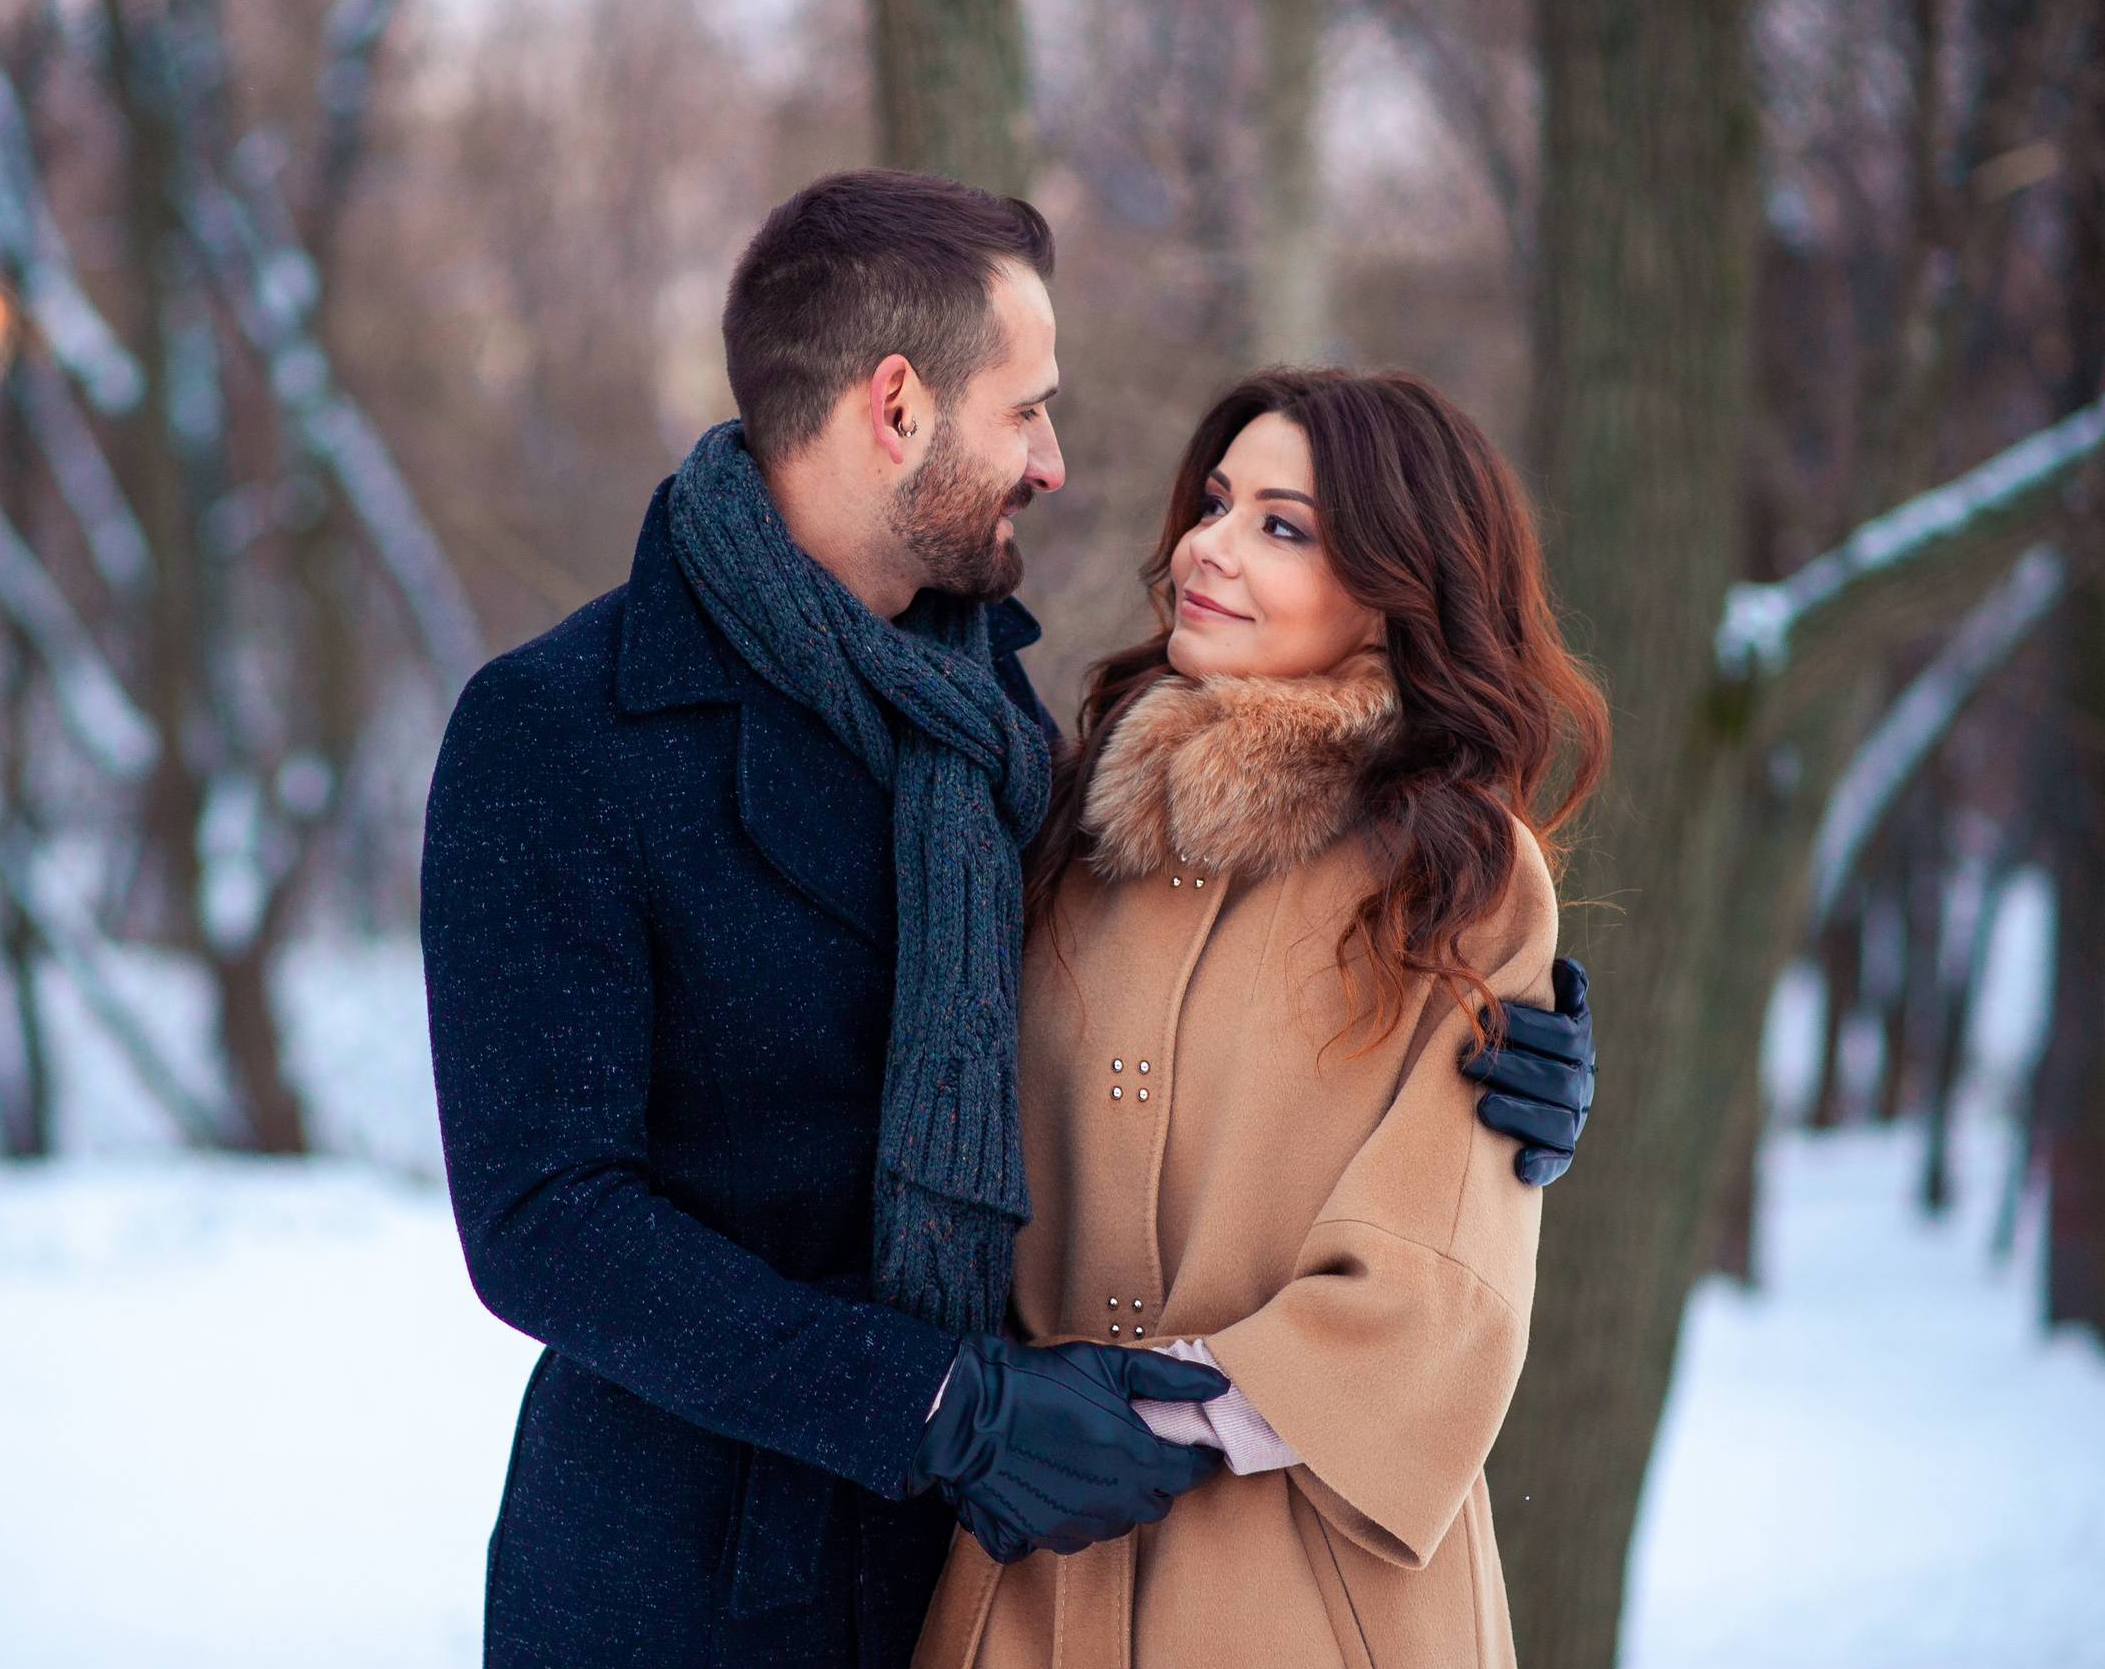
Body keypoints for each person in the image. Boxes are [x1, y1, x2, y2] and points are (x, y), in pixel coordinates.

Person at [420, 173, 1595, 1669]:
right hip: (701, 1575)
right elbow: (547, 1225)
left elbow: (1205, 1006)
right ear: (897, 407)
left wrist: (1522, 1052)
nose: (1054, 463)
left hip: (994, 1567)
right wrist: (938, 1406)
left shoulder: (999, 738)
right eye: (1025, 410)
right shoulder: (560, 730)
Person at [910, 367, 1609, 1669]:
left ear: (1397, 593)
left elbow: (1433, 1294)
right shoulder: (1063, 838)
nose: (1205, 548)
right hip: (1027, 1576)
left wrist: (1145, 1417)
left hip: (1305, 1593)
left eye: (1280, 527)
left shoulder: (1455, 878)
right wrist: (1001, 1419)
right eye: (1216, 503)